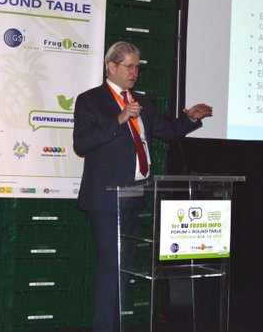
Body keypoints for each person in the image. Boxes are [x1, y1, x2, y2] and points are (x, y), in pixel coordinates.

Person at [73, 41, 212, 332]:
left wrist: (190, 119)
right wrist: (120, 118)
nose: (134, 72)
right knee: (112, 266)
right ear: (111, 66)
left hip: (137, 194)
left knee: (124, 268)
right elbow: (82, 143)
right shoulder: (91, 100)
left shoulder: (142, 102)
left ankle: (116, 326)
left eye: (137, 66)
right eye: (128, 66)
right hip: (107, 197)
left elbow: (168, 132)